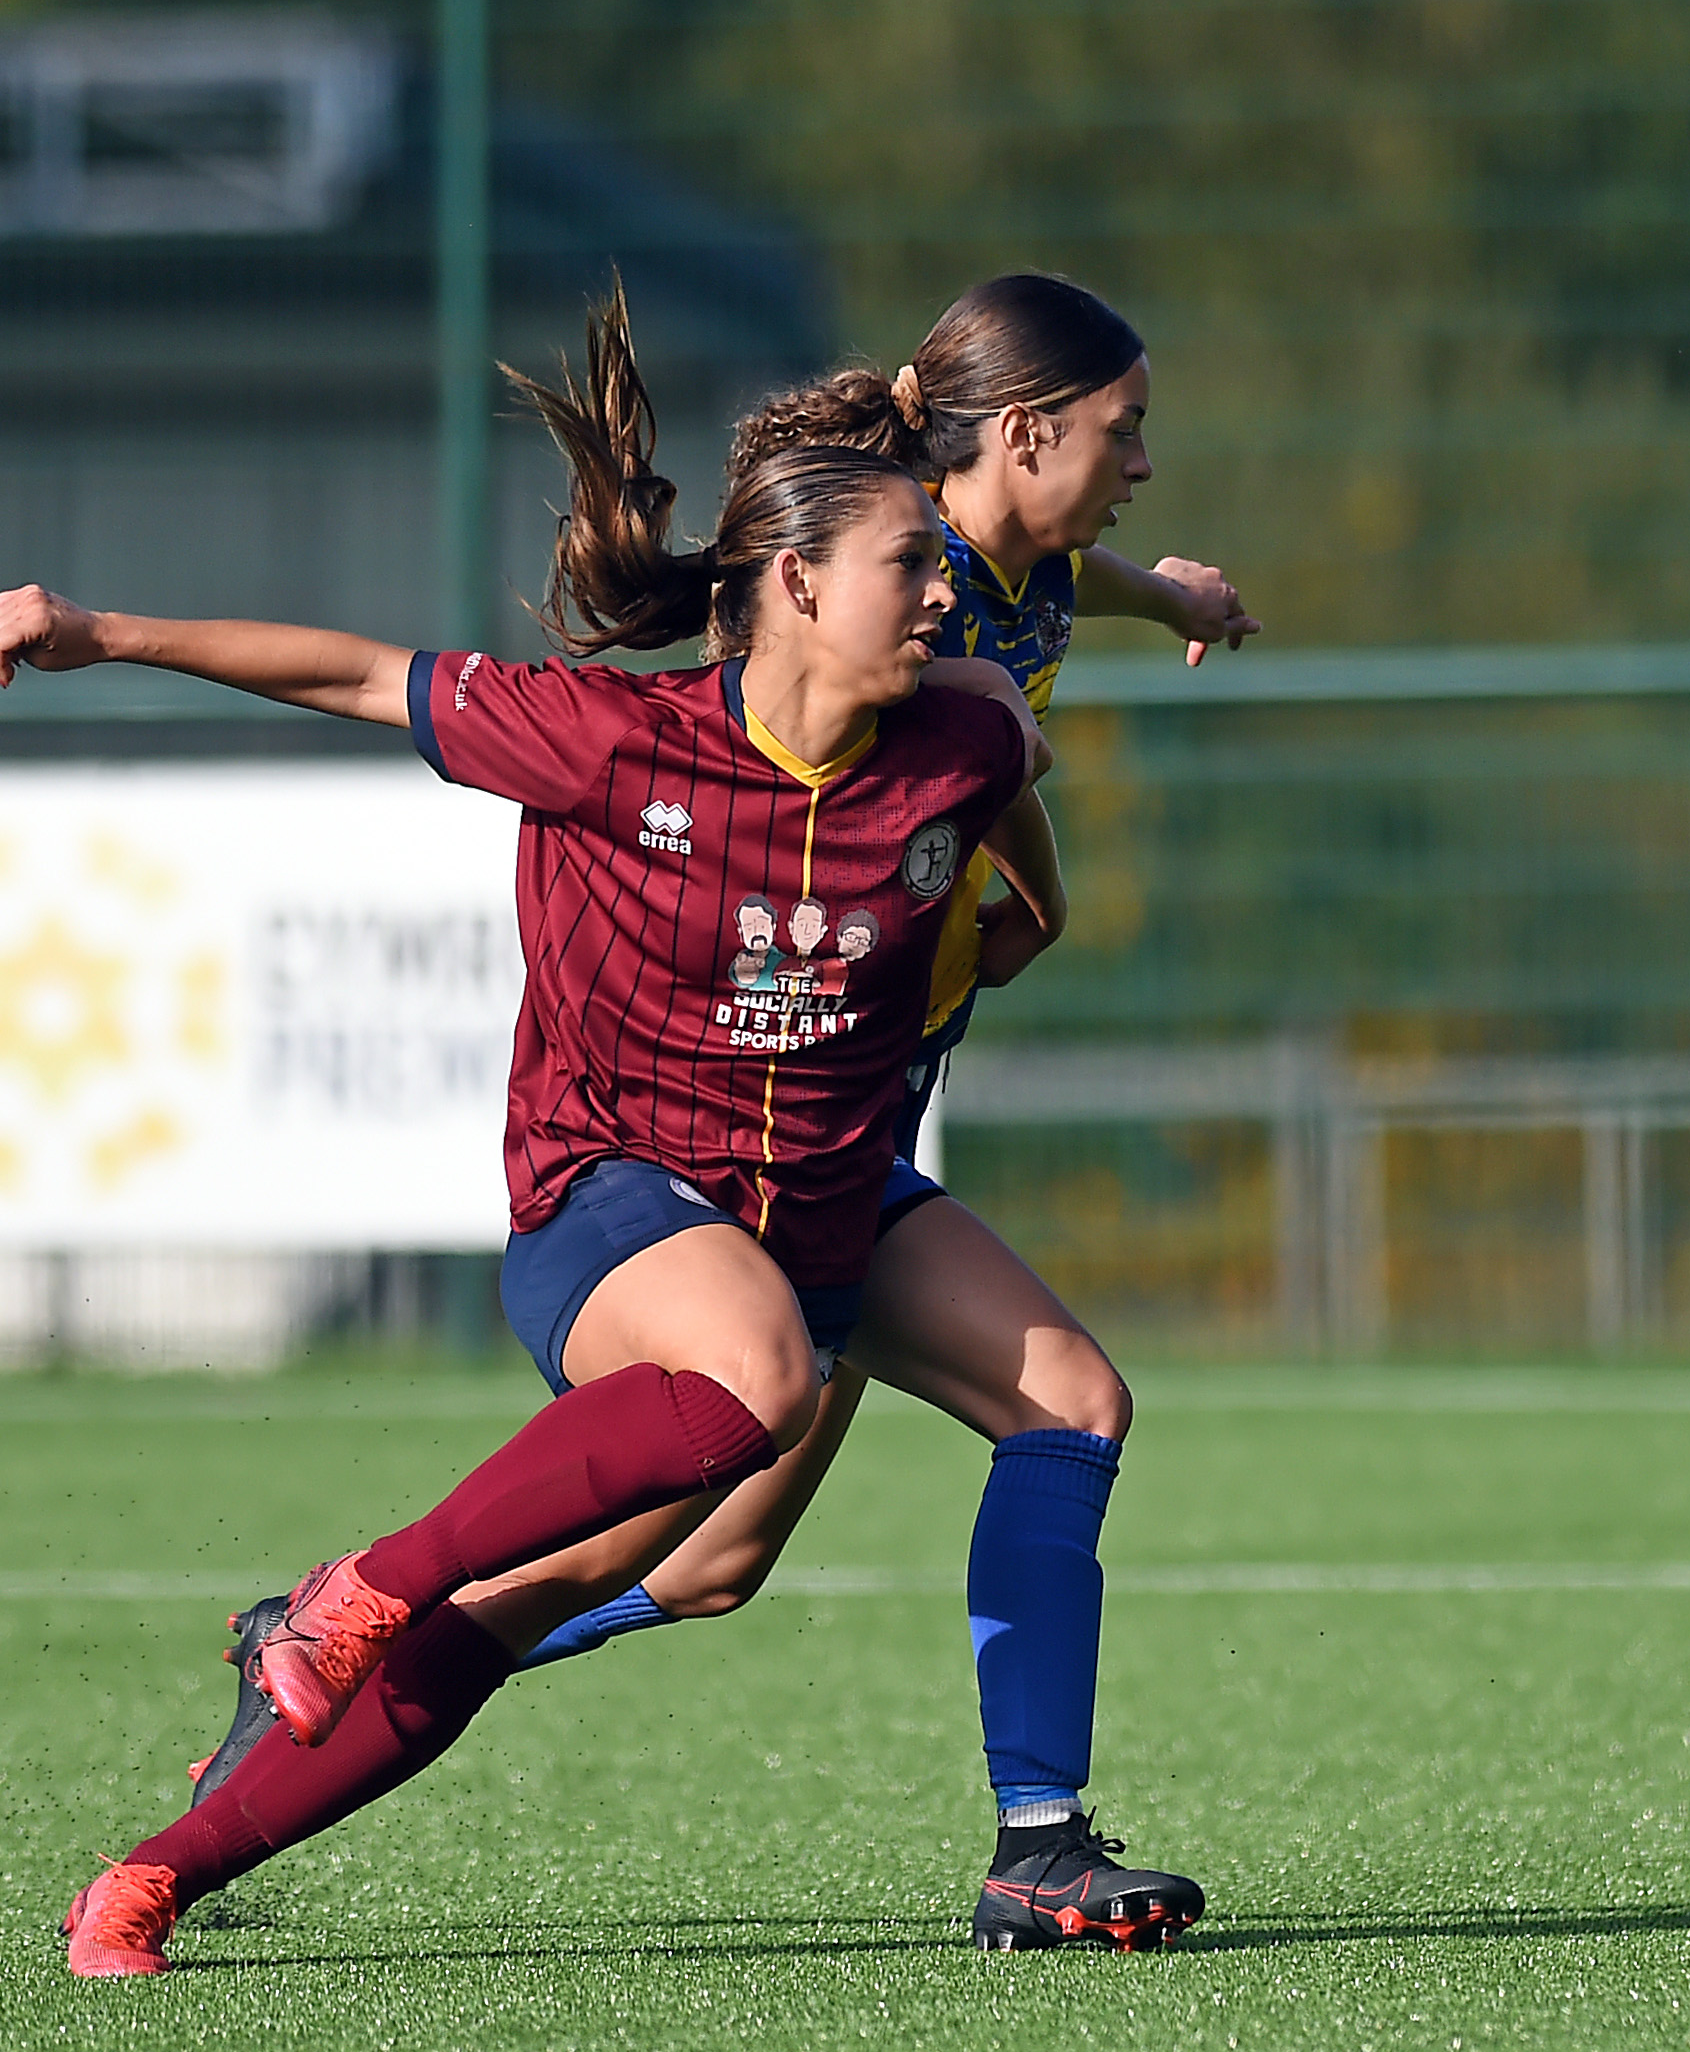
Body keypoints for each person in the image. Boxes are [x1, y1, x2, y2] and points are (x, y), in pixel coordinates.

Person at [0, 286, 1055, 1976]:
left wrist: (1030, 916)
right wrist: (106, 633)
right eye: (910, 565)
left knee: (999, 1429)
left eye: (943, 564)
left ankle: (152, 1874)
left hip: (832, 1208)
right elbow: (352, 670)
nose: (946, 592)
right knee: (752, 1381)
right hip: (617, 1202)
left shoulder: (964, 730)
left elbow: (1015, 790)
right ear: (794, 583)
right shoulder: (605, 739)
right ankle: (362, 1587)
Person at [486, 273, 1257, 1945]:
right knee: (698, 1548)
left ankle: (350, 1644)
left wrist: (1163, 590)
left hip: (871, 1096)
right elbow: (927, 727)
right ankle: (355, 1647)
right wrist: (1010, 905)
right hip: (790, 1121)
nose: (1143, 461)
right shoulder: (916, 620)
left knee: (709, 1562)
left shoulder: (1006, 563)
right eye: (1123, 434)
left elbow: (1067, 582)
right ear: (1027, 432)